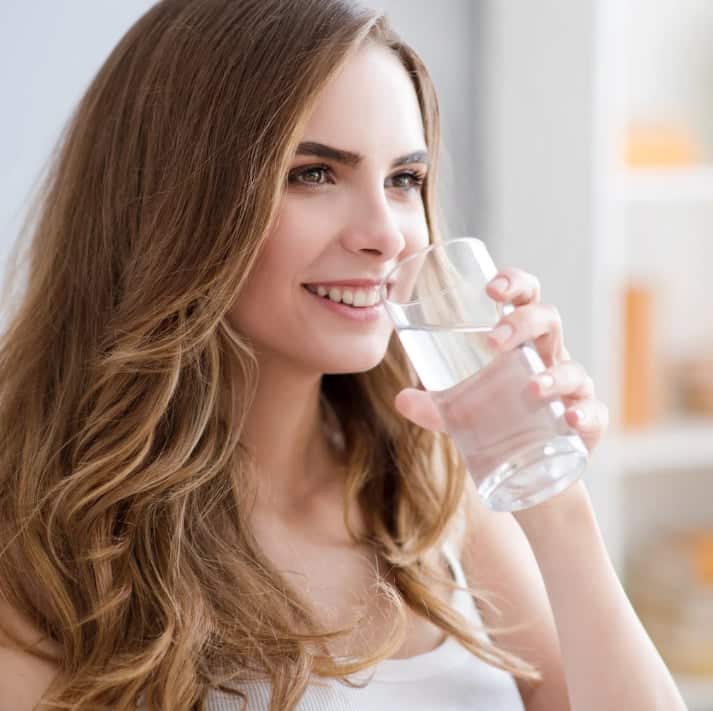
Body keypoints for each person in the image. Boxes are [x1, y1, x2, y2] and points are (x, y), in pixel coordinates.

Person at [0, 1, 688, 710]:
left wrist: (553, 499)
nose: (385, 235)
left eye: (403, 180)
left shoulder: (435, 498)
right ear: (171, 203)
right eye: (314, 174)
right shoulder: (40, 548)